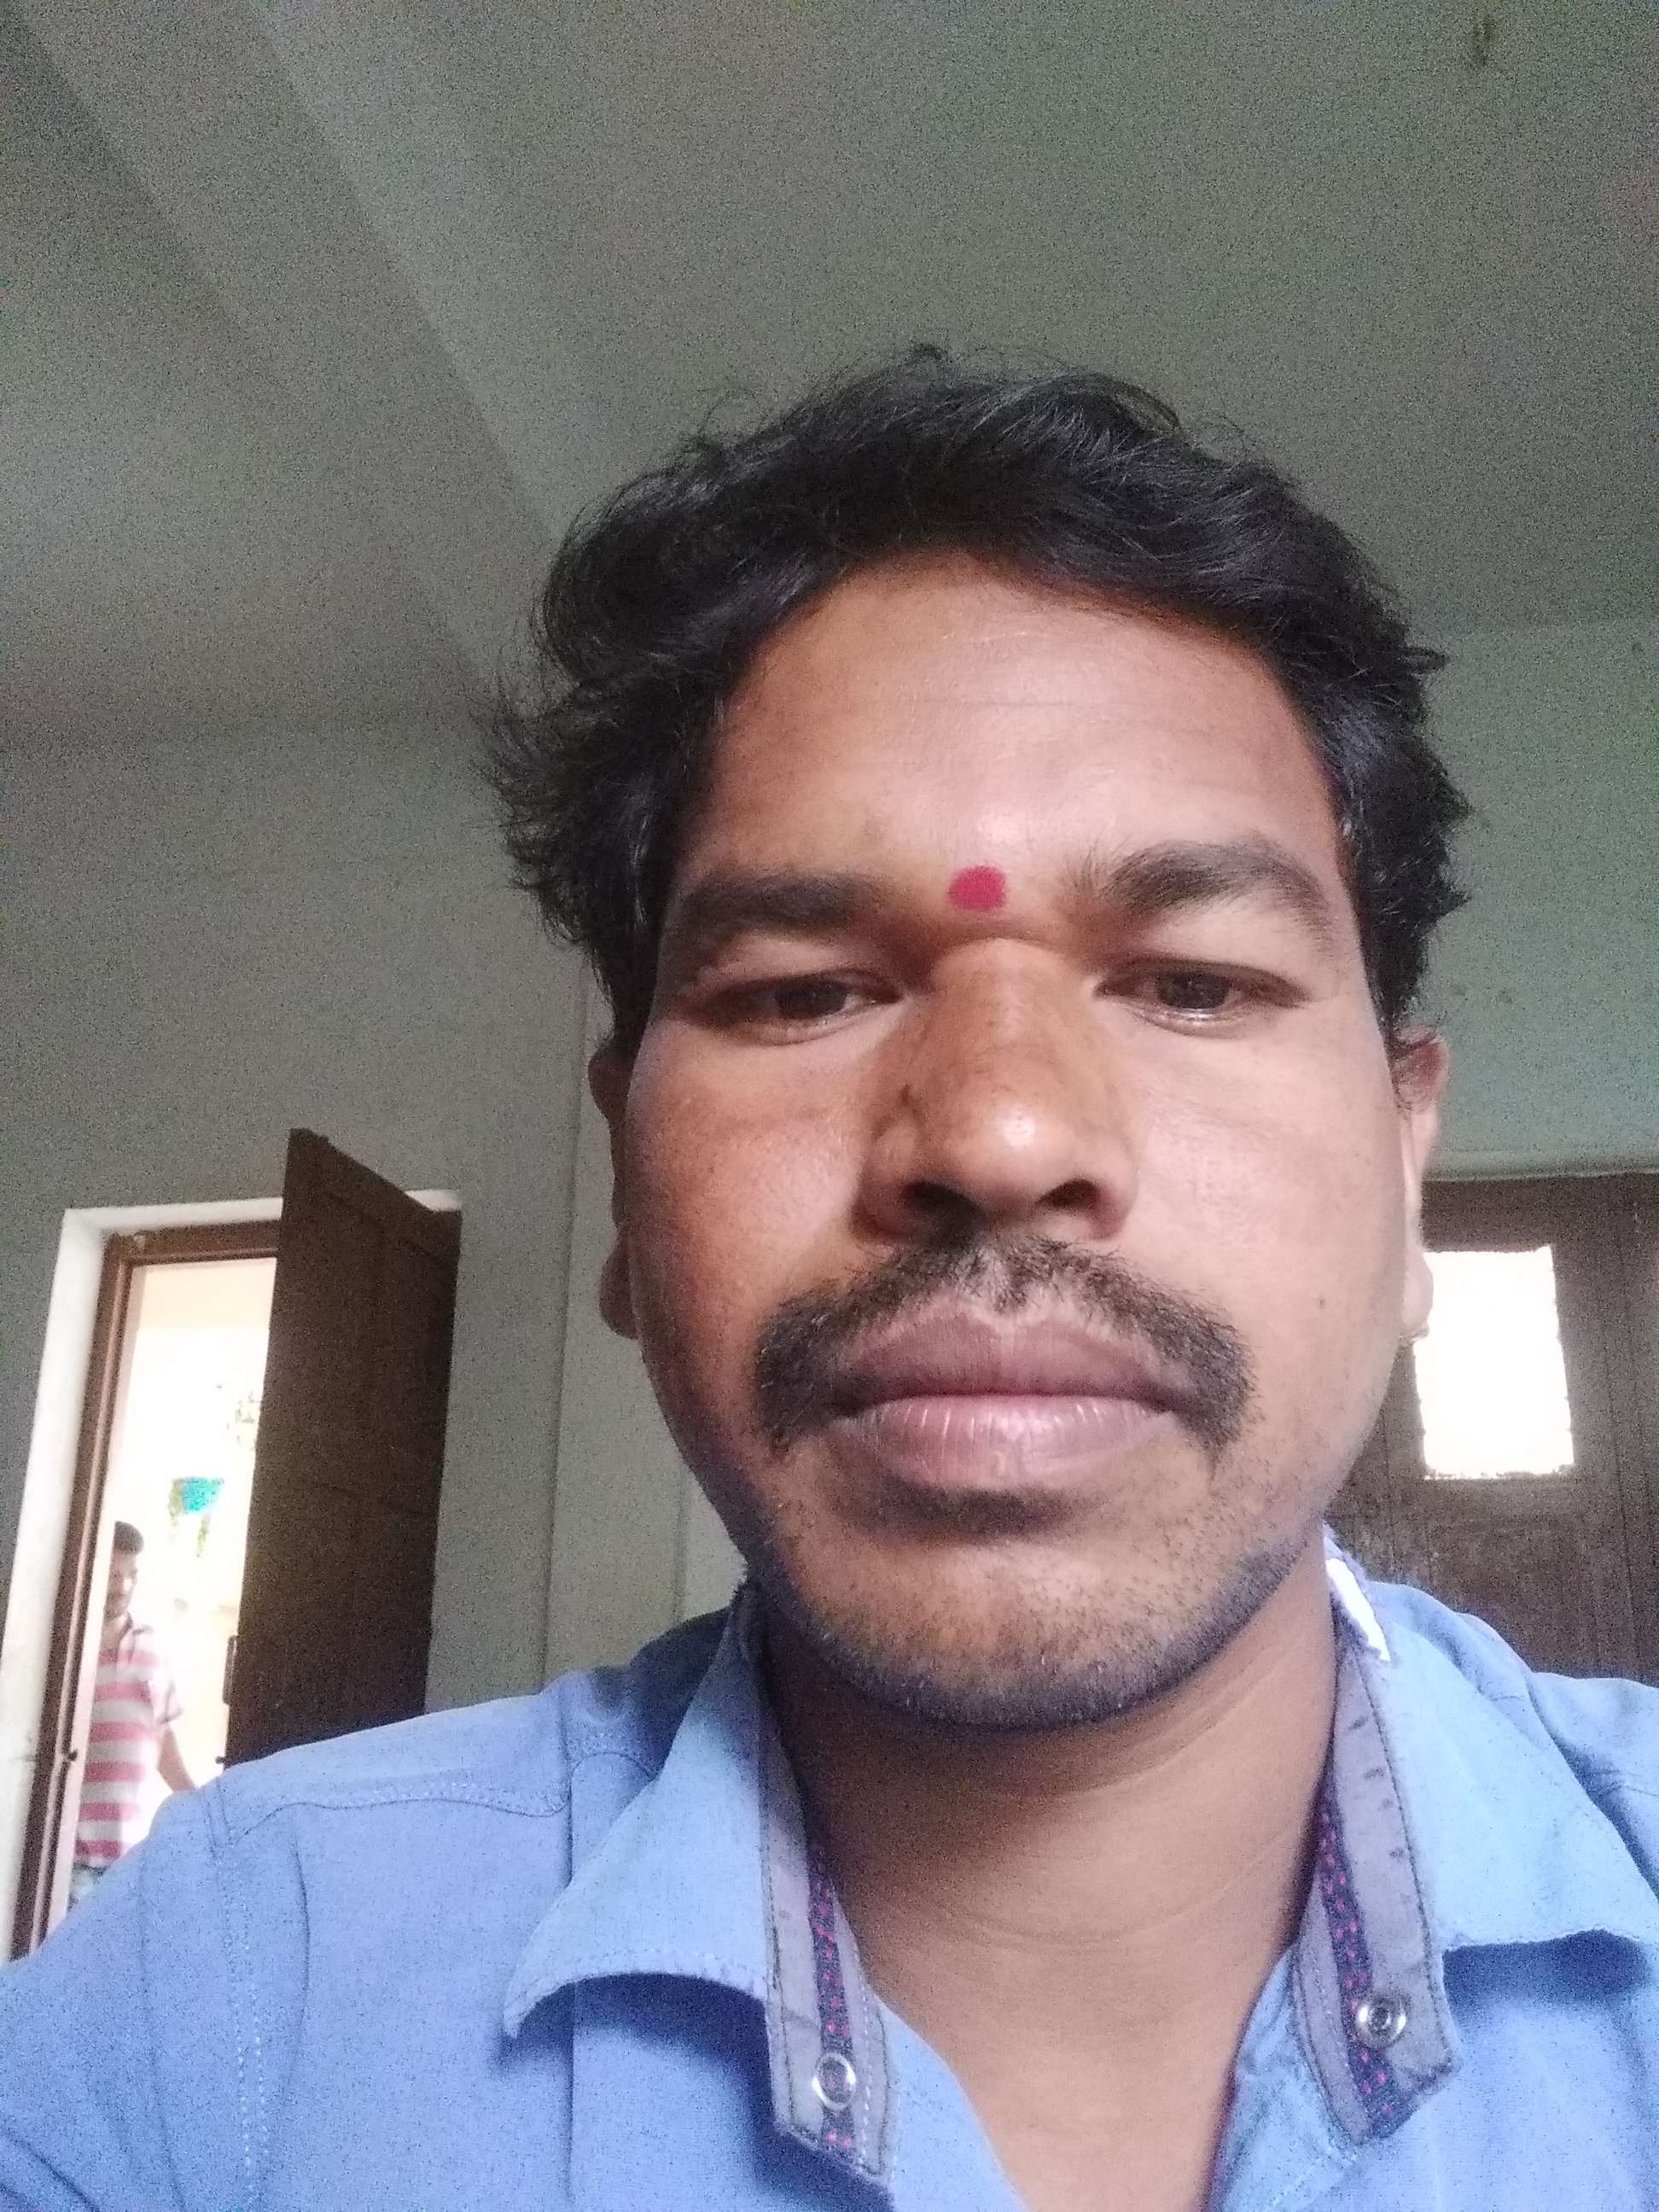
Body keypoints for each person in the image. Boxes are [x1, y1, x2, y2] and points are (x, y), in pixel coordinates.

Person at [2, 353, 1654, 2209]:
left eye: (1191, 982)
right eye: (803, 992)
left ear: (1406, 1162)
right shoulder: (219, 2015)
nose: (1001, 1133)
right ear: (625, 1183)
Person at [67, 1521, 195, 1909]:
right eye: (112, 1574)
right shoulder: (68, 1645)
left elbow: (161, 1737)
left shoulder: (151, 1646)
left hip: (127, 1862)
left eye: (131, 1575)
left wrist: (196, 1799)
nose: (122, 1586)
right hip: (68, 1858)